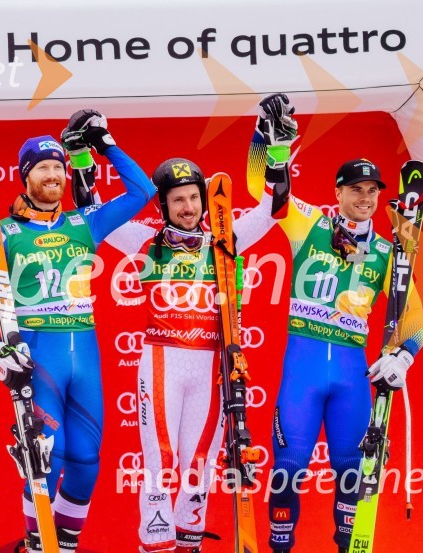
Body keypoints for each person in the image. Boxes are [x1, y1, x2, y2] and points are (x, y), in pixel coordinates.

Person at [0, 109, 156, 553]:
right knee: (45, 458)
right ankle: (38, 543)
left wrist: (105, 144)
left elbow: (143, 191)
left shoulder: (83, 223)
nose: (52, 175)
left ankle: (64, 544)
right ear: (25, 176)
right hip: (39, 360)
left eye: (57, 166)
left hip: (84, 359)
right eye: (42, 168)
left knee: (86, 461)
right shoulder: (2, 233)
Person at [245, 94, 423, 553]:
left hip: (351, 374)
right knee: (288, 467)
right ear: (338, 192)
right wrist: (264, 137)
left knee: (352, 469)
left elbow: (414, 317)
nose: (365, 199)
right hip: (303, 370)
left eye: (373, 192)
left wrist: (403, 356)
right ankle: (281, 546)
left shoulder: (387, 252)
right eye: (356, 190)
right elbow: (257, 188)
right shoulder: (308, 224)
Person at [104, 152, 289, 553]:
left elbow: (273, 209)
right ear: (163, 205)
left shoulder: (225, 239)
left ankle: (189, 540)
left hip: (210, 366)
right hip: (162, 362)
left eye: (193, 197)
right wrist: (92, 151)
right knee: (160, 459)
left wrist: (277, 151)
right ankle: (156, 541)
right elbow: (96, 215)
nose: (188, 208)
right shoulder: (144, 241)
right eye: (178, 200)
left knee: (199, 462)